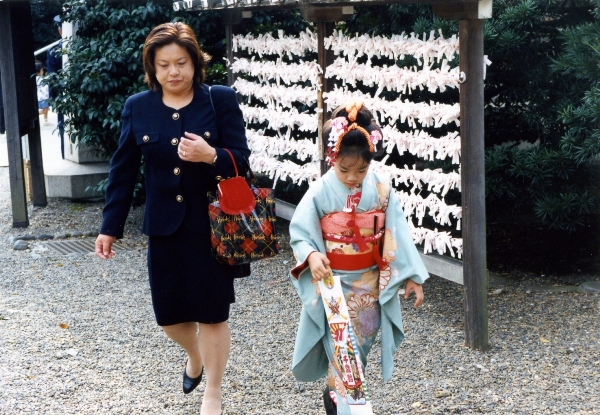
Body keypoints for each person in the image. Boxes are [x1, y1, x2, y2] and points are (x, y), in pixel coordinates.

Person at [95, 22, 250, 415]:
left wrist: (211, 156)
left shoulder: (219, 99)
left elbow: (242, 162)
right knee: (169, 318)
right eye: (163, 65)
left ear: (196, 62)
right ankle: (195, 356)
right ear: (152, 67)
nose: (173, 72)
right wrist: (110, 227)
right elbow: (122, 172)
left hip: (212, 227)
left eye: (181, 62)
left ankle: (213, 392)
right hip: (163, 227)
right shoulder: (138, 106)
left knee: (212, 314)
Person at [288, 100, 429, 415]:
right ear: (331, 159)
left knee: (356, 352)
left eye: (361, 170)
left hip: (368, 285)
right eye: (344, 169)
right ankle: (349, 407)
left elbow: (396, 231)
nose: (353, 177)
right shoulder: (319, 191)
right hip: (333, 285)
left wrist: (411, 276)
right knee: (346, 354)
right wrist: (312, 255)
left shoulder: (381, 189)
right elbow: (300, 232)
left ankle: (334, 395)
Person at [46, 15, 64, 157]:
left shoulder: (53, 52)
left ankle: (65, 153)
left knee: (64, 127)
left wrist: (53, 99)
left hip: (63, 97)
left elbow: (53, 78)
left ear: (60, 30)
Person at [35, 61, 50, 125]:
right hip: (43, 97)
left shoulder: (35, 78)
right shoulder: (41, 79)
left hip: (38, 96)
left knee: (45, 108)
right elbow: (45, 88)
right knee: (46, 109)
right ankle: (34, 115)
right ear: (40, 70)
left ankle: (46, 121)